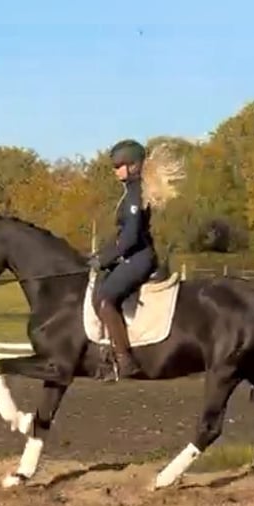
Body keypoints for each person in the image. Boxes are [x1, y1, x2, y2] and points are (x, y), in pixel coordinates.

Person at [88, 139, 158, 382]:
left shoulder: (136, 194)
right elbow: (120, 235)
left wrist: (106, 258)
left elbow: (130, 237)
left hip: (139, 257)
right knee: (98, 292)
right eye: (114, 166)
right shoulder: (130, 192)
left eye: (119, 165)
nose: (115, 170)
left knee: (107, 299)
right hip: (130, 255)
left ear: (134, 166)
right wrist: (100, 255)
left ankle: (125, 359)